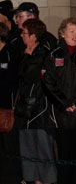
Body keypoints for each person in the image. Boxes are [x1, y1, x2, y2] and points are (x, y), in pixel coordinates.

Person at [43, 17, 76, 184]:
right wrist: (64, 104)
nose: (75, 35)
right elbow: (48, 82)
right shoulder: (53, 54)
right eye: (72, 31)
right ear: (62, 33)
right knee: (64, 156)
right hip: (61, 115)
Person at [15, 18, 57, 184]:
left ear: (33, 36)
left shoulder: (43, 53)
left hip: (40, 107)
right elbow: (19, 74)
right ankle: (32, 178)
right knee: (27, 145)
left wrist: (27, 57)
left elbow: (31, 75)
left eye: (25, 33)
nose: (22, 36)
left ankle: (46, 179)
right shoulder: (25, 52)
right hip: (25, 106)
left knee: (42, 146)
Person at [0, 22, 22, 184]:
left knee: (9, 146)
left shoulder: (9, 53)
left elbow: (10, 82)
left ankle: (12, 178)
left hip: (7, 108)